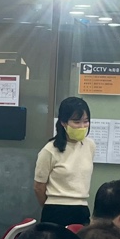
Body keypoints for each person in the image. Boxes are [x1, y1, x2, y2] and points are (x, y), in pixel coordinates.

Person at [33, 96, 95, 228]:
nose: (82, 126)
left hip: (82, 209)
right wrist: (50, 205)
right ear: (63, 122)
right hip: (55, 210)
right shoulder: (50, 150)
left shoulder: (90, 145)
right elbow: (39, 186)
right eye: (76, 122)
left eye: (86, 121)